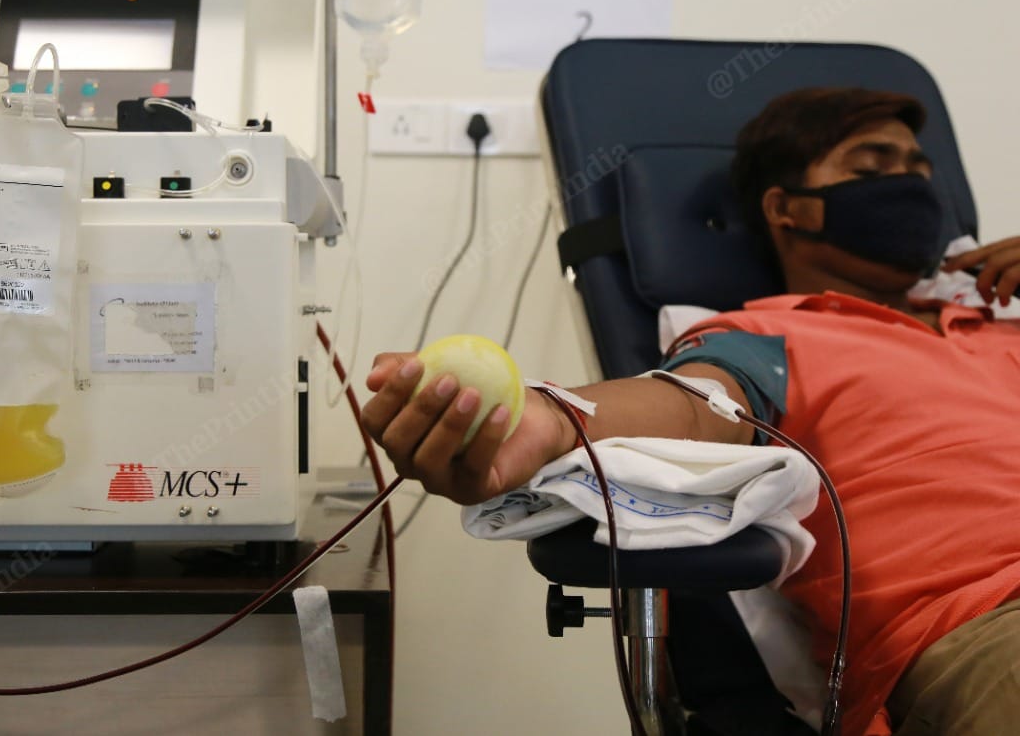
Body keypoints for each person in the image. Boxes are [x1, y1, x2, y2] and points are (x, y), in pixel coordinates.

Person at [360, 87, 1020, 736]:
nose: (908, 184)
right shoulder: (769, 335)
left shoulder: (1003, 324)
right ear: (786, 208)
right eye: (871, 168)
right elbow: (696, 405)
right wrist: (556, 421)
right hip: (986, 630)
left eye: (917, 171)